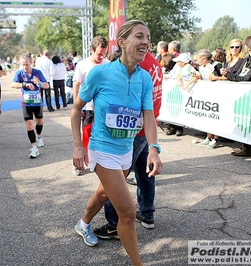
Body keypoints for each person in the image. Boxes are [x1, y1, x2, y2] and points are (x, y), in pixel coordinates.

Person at [71, 20, 163, 265]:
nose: (145, 42)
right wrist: (78, 145)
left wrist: (154, 149)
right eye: (139, 36)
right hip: (102, 148)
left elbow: (148, 116)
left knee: (103, 193)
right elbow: (76, 108)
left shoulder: (144, 77)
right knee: (128, 213)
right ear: (122, 42)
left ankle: (82, 224)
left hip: (126, 149)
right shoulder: (100, 73)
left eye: (148, 37)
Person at [92, 51, 163, 242]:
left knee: (116, 180)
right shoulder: (154, 62)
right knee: (144, 173)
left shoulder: (138, 67)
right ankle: (147, 214)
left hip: (131, 131)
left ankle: (115, 224)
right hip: (145, 129)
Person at [221, 35, 251, 157]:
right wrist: (227, 73)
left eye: (246, 44)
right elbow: (238, 73)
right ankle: (245, 146)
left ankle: (248, 147)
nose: (245, 46)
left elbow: (245, 79)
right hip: (245, 95)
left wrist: (228, 75)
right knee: (246, 120)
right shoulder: (248, 59)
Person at [72, 35, 109, 176]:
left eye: (104, 54)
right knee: (85, 137)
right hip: (87, 108)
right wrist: (77, 106)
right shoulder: (82, 65)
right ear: (92, 50)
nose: (101, 57)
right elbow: (76, 85)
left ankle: (100, 163)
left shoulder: (107, 64)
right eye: (99, 54)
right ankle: (79, 164)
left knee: (103, 136)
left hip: (103, 109)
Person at [11, 54, 49, 158]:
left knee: (39, 121)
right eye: (22, 65)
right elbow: (12, 84)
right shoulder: (19, 73)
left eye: (27, 64)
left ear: (31, 63)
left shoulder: (38, 72)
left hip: (37, 102)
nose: (25, 67)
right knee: (29, 124)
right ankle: (34, 148)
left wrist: (40, 83)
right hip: (26, 103)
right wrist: (24, 84)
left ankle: (39, 136)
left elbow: (47, 85)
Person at [166, 40, 185, 136]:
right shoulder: (173, 57)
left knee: (177, 106)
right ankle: (172, 126)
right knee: (171, 105)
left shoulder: (181, 58)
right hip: (172, 85)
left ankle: (179, 128)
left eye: (169, 48)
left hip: (179, 86)